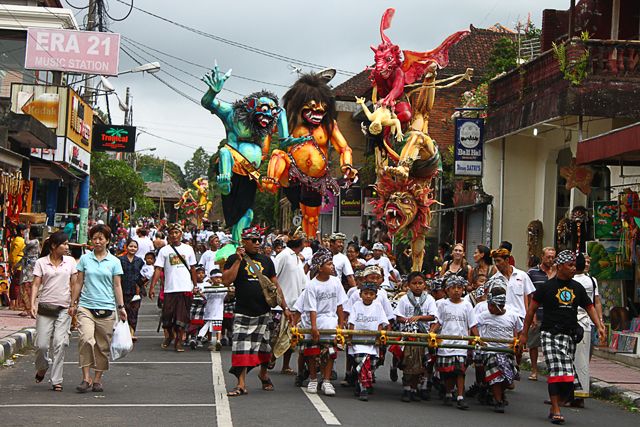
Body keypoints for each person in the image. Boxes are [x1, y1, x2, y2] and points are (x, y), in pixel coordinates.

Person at [520, 250, 605, 425]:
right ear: (560, 266)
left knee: (568, 377)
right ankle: (557, 409)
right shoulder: (546, 288)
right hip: (550, 334)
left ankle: (555, 405)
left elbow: (589, 307)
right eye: (570, 265)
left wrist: (599, 326)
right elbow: (531, 311)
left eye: (575, 265)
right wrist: (524, 334)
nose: (574, 268)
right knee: (557, 372)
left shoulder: (577, 288)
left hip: (569, 336)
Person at [222, 227, 290, 397]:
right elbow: (226, 280)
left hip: (263, 312)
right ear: (244, 242)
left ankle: (263, 374)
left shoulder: (267, 261)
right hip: (243, 312)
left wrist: (285, 307)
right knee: (241, 350)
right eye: (253, 240)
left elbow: (275, 286)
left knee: (265, 349)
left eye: (259, 240)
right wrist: (238, 260)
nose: (258, 243)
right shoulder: (233, 259)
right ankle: (241, 384)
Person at [69, 224, 126, 393]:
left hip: (107, 308)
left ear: (107, 240)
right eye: (94, 238)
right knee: (86, 340)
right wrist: (73, 303)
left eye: (101, 238)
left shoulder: (115, 261)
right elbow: (79, 282)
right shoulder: (85, 259)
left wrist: (121, 306)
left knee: (102, 346)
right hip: (86, 306)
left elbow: (117, 286)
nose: (97, 241)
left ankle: (97, 379)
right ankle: (85, 378)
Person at [30, 231, 77, 392]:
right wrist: (32, 304)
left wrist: (73, 303)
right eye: (63, 244)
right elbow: (36, 284)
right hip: (45, 308)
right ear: (53, 246)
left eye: (67, 243)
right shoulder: (41, 263)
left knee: (60, 343)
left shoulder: (70, 262)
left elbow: (74, 283)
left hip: (64, 308)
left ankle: (57, 379)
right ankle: (43, 367)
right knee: (41, 345)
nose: (66, 246)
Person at [303, 247, 347, 396]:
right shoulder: (311, 285)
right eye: (329, 264)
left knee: (330, 352)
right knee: (312, 352)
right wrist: (314, 327)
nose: (332, 267)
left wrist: (341, 324)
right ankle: (313, 379)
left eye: (332, 264)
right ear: (320, 268)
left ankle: (327, 381)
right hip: (315, 322)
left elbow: (340, 304)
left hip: (331, 321)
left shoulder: (336, 282)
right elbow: (311, 308)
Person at [431, 275, 478, 410]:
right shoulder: (443, 304)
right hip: (446, 343)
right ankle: (448, 392)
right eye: (453, 288)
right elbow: (438, 322)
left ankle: (460, 397)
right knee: (448, 372)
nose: (456, 290)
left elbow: (472, 324)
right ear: (447, 290)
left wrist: (478, 338)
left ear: (463, 289)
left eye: (459, 288)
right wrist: (432, 334)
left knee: (459, 371)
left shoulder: (467, 305)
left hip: (461, 344)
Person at [149, 223, 198, 352]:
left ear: (181, 234)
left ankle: (178, 341)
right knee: (167, 316)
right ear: (168, 235)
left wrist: (195, 285)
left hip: (185, 288)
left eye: (176, 233)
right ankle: (170, 335)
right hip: (170, 288)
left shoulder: (188, 249)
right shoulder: (164, 251)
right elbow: (158, 269)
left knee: (181, 317)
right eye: (172, 233)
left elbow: (193, 268)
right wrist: (152, 287)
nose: (174, 235)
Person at [476, 286, 523, 413]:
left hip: (507, 352)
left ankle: (500, 394)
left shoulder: (512, 316)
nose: (489, 308)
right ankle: (498, 401)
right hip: (490, 352)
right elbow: (473, 326)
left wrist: (518, 344)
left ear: (499, 306)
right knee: (495, 375)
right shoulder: (483, 316)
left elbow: (520, 331)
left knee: (507, 380)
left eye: (491, 306)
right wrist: (478, 339)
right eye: (488, 305)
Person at [394, 271, 437, 402]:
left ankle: (415, 388)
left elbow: (433, 316)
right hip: (408, 335)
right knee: (409, 361)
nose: (417, 286)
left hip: (423, 335)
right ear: (408, 285)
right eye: (414, 283)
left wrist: (418, 318)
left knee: (421, 363)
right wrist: (408, 321)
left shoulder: (429, 299)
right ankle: (407, 388)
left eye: (420, 283)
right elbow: (398, 316)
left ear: (425, 285)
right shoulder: (404, 299)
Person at [570, 253, 603, 407]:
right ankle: (580, 393)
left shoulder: (570, 281)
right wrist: (599, 322)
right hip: (586, 324)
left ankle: (570, 394)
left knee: (570, 359)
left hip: (573, 323)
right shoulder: (591, 280)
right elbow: (596, 302)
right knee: (583, 360)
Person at [272, 228, 307, 375]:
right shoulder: (284, 256)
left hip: (295, 305)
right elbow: (272, 276)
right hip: (282, 305)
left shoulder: (297, 258)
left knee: (291, 339)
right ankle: (270, 358)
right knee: (276, 337)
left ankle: (285, 365)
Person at [348, 281, 389, 401]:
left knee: (370, 365)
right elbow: (351, 322)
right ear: (360, 294)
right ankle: (363, 389)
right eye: (365, 293)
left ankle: (359, 382)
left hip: (371, 342)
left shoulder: (377, 306)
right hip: (358, 341)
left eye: (371, 294)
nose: (368, 296)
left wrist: (377, 338)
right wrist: (350, 338)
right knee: (362, 362)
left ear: (375, 296)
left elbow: (381, 323)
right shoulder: (356, 305)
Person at [526, 247, 556, 381]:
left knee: (551, 345)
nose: (551, 260)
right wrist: (531, 314)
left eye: (552, 257)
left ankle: (552, 371)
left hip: (552, 314)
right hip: (537, 311)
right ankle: (534, 369)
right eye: (548, 257)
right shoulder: (532, 273)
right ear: (542, 257)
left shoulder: (557, 272)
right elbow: (528, 294)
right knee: (533, 343)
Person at [491, 248, 535, 322]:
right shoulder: (494, 280)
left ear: (507, 260)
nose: (496, 264)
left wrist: (532, 316)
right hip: (503, 319)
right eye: (495, 261)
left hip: (520, 317)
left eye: (498, 261)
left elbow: (530, 297)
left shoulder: (522, 275)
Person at [119, 239, 145, 342]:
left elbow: (144, 274)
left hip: (136, 291)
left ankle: (131, 332)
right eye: (131, 246)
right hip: (123, 289)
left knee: (134, 312)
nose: (133, 248)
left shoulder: (140, 261)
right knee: (124, 311)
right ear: (126, 247)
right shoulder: (120, 260)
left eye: (135, 247)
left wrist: (142, 285)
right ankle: (122, 333)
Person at [201, 269, 227, 351]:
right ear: (211, 278)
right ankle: (211, 342)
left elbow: (226, 297)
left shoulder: (223, 288)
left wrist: (230, 292)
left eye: (220, 277)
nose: (218, 279)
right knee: (209, 328)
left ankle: (218, 341)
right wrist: (199, 293)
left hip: (219, 310)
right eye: (216, 277)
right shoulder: (208, 287)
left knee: (217, 327)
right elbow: (205, 297)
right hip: (209, 310)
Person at [19, 227, 41, 317]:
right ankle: (27, 308)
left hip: (30, 267)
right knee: (24, 287)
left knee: (27, 287)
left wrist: (26, 232)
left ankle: (29, 308)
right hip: (26, 266)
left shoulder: (35, 241)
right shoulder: (35, 242)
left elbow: (27, 242)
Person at [9, 223, 27, 311]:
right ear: (21, 231)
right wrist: (13, 264)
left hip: (19, 263)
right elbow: (13, 254)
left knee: (16, 284)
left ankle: (15, 304)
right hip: (18, 264)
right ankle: (14, 304)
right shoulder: (19, 240)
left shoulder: (18, 239)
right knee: (16, 284)